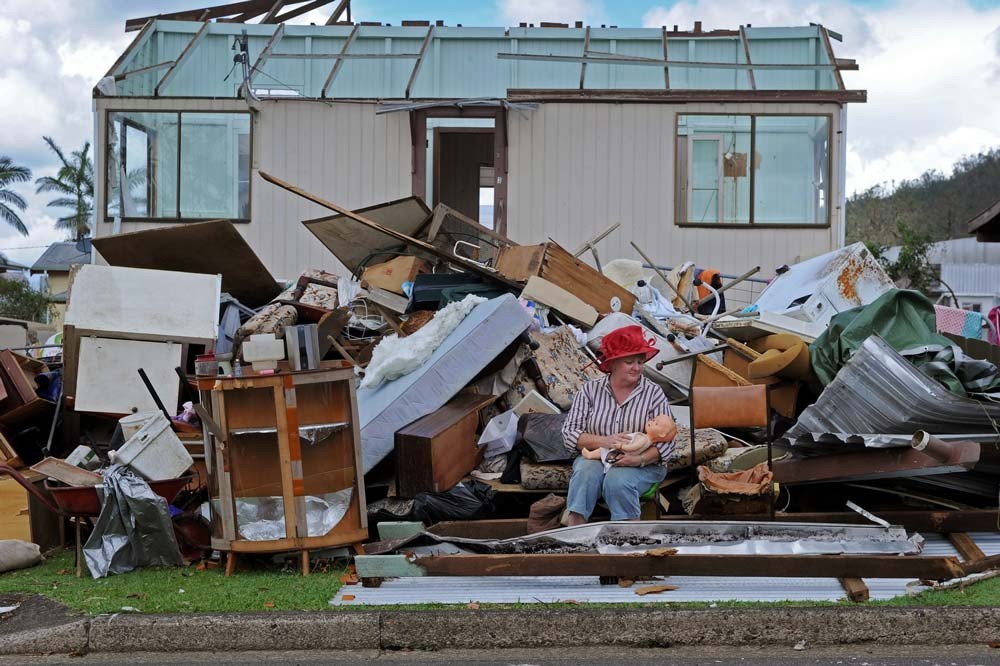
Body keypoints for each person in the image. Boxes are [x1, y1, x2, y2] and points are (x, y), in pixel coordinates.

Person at [561, 325, 676, 525]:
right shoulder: (589, 391)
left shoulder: (653, 393)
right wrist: (604, 441)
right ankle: (575, 533)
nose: (637, 368)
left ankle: (627, 538)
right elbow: (570, 433)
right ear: (612, 363)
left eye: (640, 362)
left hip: (642, 464)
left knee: (618, 481)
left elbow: (669, 441)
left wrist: (638, 459)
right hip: (597, 457)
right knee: (585, 475)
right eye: (629, 361)